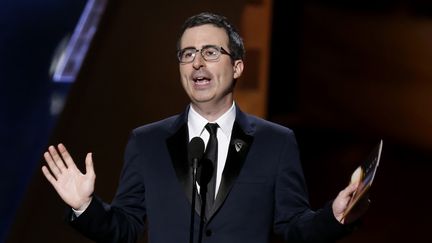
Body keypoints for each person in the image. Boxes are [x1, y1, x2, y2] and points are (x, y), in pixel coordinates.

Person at [42, 12, 369, 243]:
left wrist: (334, 216)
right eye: (188, 54)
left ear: (237, 66)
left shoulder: (276, 142)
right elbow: (124, 228)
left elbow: (294, 227)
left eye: (210, 52)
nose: (197, 62)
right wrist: (84, 206)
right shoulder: (147, 142)